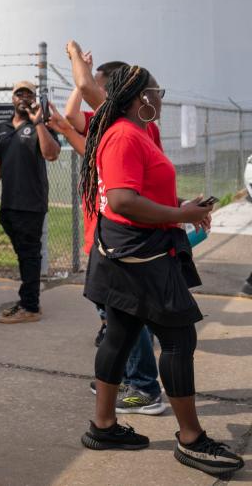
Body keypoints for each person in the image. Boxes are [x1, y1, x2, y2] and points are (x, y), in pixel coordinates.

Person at [79, 65, 244, 477]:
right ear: (141, 98)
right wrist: (179, 214)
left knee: (120, 334)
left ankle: (103, 426)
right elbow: (120, 200)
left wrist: (181, 205)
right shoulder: (122, 135)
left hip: (130, 250)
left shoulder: (134, 132)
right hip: (139, 255)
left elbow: (140, 191)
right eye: (158, 91)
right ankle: (190, 439)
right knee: (178, 338)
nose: (162, 98)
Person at [63, 43, 169, 416]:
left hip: (121, 239)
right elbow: (71, 118)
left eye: (102, 87)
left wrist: (76, 56)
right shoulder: (117, 126)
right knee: (121, 316)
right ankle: (123, 376)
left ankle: (142, 386)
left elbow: (81, 95)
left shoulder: (132, 128)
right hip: (110, 234)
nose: (97, 92)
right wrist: (83, 82)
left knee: (121, 316)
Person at [0, 81, 60, 323]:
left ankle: (30, 307)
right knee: (24, 255)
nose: (23, 97)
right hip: (9, 204)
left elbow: (51, 153)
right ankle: (27, 299)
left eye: (28, 94)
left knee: (30, 254)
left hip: (31, 204)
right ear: (12, 98)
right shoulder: (4, 128)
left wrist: (38, 123)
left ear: (34, 99)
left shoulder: (41, 126)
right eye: (19, 93)